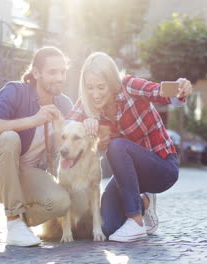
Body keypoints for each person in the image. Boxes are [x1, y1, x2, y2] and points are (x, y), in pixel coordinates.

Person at [66, 52, 192, 242]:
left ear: (112, 82)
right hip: (128, 177)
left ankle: (136, 221)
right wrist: (84, 125)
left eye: (101, 87)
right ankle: (143, 203)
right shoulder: (87, 102)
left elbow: (162, 92)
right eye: (90, 87)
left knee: (117, 146)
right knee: (106, 228)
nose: (95, 94)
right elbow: (67, 126)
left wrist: (181, 87)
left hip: (162, 167)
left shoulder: (129, 86)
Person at [0, 47, 73, 247]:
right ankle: (13, 222)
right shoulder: (15, 91)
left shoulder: (65, 104)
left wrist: (62, 131)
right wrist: (33, 120)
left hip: (29, 177)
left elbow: (69, 151)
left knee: (61, 202)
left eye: (63, 71)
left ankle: (21, 223)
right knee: (9, 137)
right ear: (36, 73)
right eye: (53, 72)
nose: (60, 77)